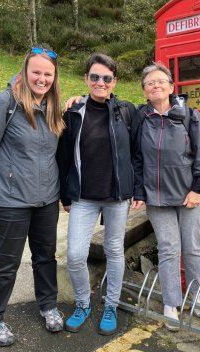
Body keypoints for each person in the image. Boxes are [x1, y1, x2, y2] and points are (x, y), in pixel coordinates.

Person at [0, 47, 65, 347]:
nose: (42, 78)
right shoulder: (3, 103)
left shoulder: (52, 107)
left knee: (45, 257)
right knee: (7, 262)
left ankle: (48, 305)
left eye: (48, 74)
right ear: (25, 71)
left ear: (54, 78)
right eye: (36, 71)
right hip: (9, 200)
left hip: (46, 199)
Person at [57, 53, 143, 336]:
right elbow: (64, 156)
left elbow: (137, 154)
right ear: (86, 79)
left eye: (106, 78)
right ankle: (83, 303)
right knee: (75, 255)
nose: (100, 82)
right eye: (95, 77)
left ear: (114, 81)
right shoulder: (73, 112)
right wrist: (65, 196)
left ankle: (111, 304)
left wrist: (137, 189)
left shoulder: (126, 111)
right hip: (84, 196)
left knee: (114, 250)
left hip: (117, 196)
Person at [133, 62, 200, 331]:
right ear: (144, 90)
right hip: (157, 197)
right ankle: (171, 303)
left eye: (160, 81)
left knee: (192, 247)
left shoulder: (189, 116)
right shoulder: (141, 118)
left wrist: (198, 189)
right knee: (168, 250)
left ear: (171, 86)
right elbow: (137, 158)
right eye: (150, 83)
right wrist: (139, 191)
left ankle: (196, 295)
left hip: (189, 194)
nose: (155, 86)